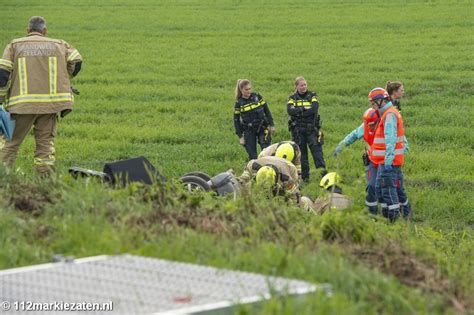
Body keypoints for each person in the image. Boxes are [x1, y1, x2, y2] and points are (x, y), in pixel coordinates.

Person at [0, 16, 82, 174]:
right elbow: (76, 61)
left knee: (10, 144)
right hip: (50, 106)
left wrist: (0, 98)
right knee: (45, 146)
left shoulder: (14, 45)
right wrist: (65, 77)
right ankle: (44, 181)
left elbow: (2, 74)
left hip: (21, 106)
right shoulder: (59, 44)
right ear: (45, 31)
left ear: (27, 30)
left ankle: (3, 179)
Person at [367, 88, 411, 222]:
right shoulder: (388, 113)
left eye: (373, 103)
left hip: (389, 163)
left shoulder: (389, 115)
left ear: (381, 101)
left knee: (389, 192)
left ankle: (393, 221)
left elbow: (390, 138)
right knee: (382, 190)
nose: (372, 106)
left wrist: (388, 160)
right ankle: (390, 217)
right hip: (386, 162)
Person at [332, 108, 380, 214]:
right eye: (368, 124)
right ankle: (372, 213)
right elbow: (352, 136)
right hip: (372, 161)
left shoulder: (385, 125)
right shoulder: (365, 126)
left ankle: (391, 214)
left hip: (386, 162)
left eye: (372, 124)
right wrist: (339, 148)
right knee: (371, 186)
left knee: (387, 187)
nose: (370, 127)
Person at [287, 76, 326, 182]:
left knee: (317, 154)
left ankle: (324, 177)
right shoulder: (292, 98)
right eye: (301, 85)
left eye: (305, 85)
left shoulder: (312, 95)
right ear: (296, 86)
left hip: (311, 130)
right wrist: (304, 109)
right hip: (298, 131)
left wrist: (299, 111)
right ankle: (305, 179)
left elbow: (314, 109)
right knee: (302, 156)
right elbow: (290, 111)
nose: (304, 87)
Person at [233, 79, 275, 160]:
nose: (249, 91)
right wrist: (240, 137)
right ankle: (254, 171)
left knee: (266, 152)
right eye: (246, 89)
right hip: (249, 130)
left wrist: (272, 125)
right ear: (241, 90)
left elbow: (267, 110)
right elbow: (236, 121)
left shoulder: (257, 96)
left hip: (262, 127)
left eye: (250, 89)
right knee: (252, 156)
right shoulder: (239, 103)